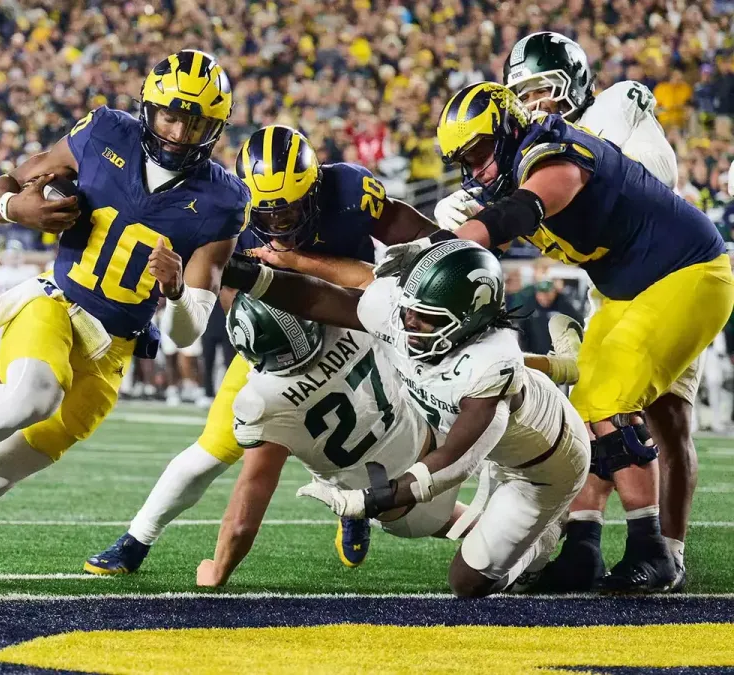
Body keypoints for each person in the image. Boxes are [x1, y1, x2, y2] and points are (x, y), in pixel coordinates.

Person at [0, 50, 248, 586]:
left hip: (114, 351)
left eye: (196, 121)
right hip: (55, 305)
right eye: (171, 115)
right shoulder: (106, 131)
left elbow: (186, 334)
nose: (179, 132)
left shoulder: (224, 199)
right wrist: (17, 209)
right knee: (31, 395)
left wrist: (176, 292)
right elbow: (5, 183)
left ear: (215, 128)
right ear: (148, 109)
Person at [85, 125, 439, 576]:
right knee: (211, 450)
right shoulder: (229, 218)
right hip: (282, 349)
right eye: (268, 215)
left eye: (291, 212)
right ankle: (136, 540)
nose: (280, 226)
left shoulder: (348, 190)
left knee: (387, 421)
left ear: (314, 190)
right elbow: (229, 300)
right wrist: (266, 333)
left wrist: (297, 265)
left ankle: (356, 508)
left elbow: (408, 257)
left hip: (358, 327)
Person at [428, 81, 734, 591]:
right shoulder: (510, 172)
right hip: (629, 290)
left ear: (507, 131)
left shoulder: (555, 152)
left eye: (481, 152)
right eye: (465, 159)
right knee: (584, 407)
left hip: (689, 273)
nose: (476, 169)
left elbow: (521, 211)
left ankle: (651, 548)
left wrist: (445, 243)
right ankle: (583, 548)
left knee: (606, 400)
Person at [222, 240, 590, 598]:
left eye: (426, 319)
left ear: (470, 318)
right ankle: (564, 367)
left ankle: (544, 537)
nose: (409, 324)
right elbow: (318, 299)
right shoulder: (413, 314)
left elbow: (450, 464)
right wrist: (241, 273)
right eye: (407, 312)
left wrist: (364, 503)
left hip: (541, 468)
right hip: (480, 430)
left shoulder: (489, 367)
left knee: (468, 583)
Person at [488, 32, 701, 592]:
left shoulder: (613, 109)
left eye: (541, 90)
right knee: (589, 411)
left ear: (573, 83)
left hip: (673, 272)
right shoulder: (538, 154)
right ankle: (583, 542)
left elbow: (638, 177)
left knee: (666, 420)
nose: (533, 106)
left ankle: (666, 552)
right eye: (522, 96)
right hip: (614, 288)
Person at [195, 293, 452, 587]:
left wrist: (217, 572)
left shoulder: (263, 401)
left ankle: (354, 511)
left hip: (393, 509)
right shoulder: (353, 320)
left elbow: (242, 523)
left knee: (298, 434)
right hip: (442, 446)